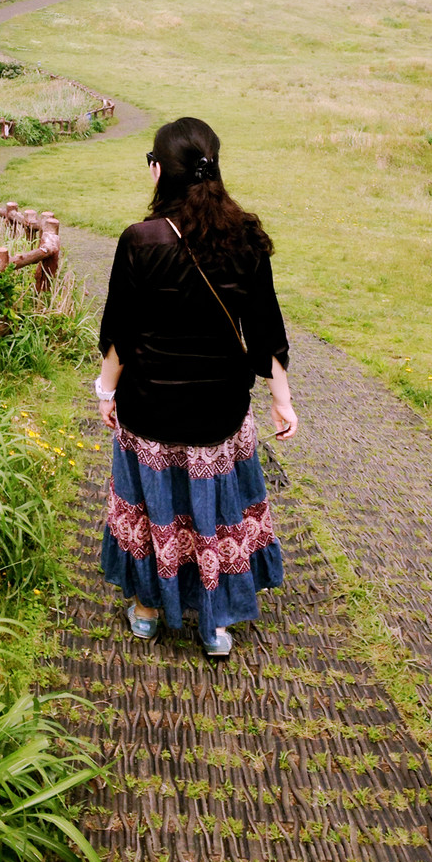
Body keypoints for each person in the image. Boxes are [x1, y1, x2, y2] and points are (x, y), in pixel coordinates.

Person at [97, 117, 296, 658]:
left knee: (151, 512)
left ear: (159, 170)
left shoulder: (140, 240)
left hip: (151, 410)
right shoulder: (247, 237)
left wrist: (105, 392)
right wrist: (282, 400)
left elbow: (121, 331)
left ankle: (148, 608)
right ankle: (215, 623)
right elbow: (265, 328)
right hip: (220, 413)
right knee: (216, 514)